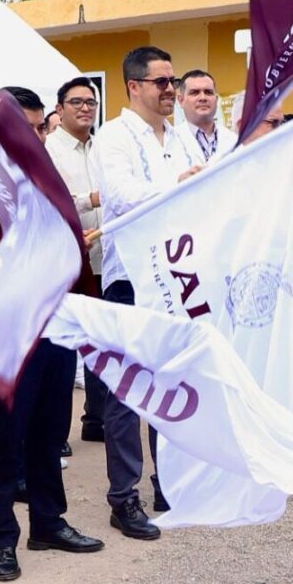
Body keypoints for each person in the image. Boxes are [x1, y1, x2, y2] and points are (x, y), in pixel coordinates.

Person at [0, 87, 105, 580]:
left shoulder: (48, 187)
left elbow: (74, 264)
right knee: (2, 440)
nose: (35, 139)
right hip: (8, 336)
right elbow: (3, 257)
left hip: (56, 328)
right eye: (24, 131)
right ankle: (2, 539)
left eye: (39, 129)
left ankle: (48, 521)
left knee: (50, 431)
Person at [91, 45, 203, 539]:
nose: (170, 91)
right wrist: (181, 185)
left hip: (178, 275)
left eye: (172, 81)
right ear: (133, 86)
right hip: (130, 279)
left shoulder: (180, 136)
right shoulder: (112, 137)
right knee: (126, 393)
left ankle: (169, 482)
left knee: (170, 384)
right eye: (161, 82)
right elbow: (120, 197)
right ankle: (123, 497)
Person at [46, 76, 106, 448]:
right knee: (65, 348)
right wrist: (93, 199)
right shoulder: (49, 148)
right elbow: (54, 199)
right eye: (77, 102)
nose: (85, 108)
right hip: (67, 259)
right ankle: (56, 430)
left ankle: (96, 417)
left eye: (91, 102)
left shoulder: (101, 150)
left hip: (103, 258)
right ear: (60, 108)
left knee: (100, 341)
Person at [175, 69, 234, 163]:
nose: (203, 98)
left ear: (216, 99)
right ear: (181, 100)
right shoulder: (170, 141)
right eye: (194, 92)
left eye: (208, 92)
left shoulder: (233, 140)